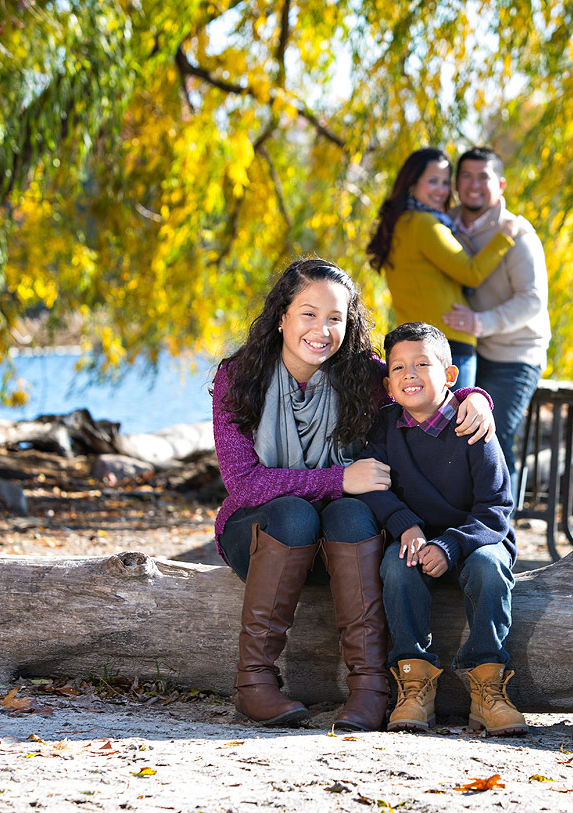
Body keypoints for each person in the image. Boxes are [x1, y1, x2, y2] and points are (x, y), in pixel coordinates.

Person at [212, 258, 496, 732]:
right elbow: (245, 484)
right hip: (263, 535)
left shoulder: (362, 375)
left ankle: (369, 689)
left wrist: (475, 397)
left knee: (349, 512)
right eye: (308, 313)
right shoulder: (239, 378)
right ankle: (254, 684)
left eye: (335, 318)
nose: (321, 329)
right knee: (294, 513)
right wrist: (339, 478)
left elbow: (422, 381)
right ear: (281, 315)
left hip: (345, 547)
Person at [356, 322, 527, 736]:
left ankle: (488, 686)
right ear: (388, 382)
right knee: (397, 568)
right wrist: (406, 526)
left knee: (489, 567)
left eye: (421, 364)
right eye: (398, 368)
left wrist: (450, 545)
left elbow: (497, 507)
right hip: (417, 537)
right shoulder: (384, 426)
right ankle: (415, 684)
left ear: (450, 375)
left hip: (477, 537)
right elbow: (374, 487)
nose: (409, 375)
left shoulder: (473, 427)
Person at [366, 147, 521, 389]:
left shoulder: (401, 222)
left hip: (414, 341)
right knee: (455, 425)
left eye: (445, 183)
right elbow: (471, 273)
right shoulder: (425, 223)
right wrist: (506, 236)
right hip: (448, 344)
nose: (441, 190)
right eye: (432, 181)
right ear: (412, 184)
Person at [441, 147, 551, 484]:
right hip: (465, 349)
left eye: (483, 177)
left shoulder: (516, 233)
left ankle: (503, 532)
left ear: (500, 184)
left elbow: (533, 300)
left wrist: (480, 323)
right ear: (456, 183)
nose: (474, 185)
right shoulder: (444, 226)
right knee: (449, 437)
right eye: (466, 176)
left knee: (492, 436)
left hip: (513, 352)